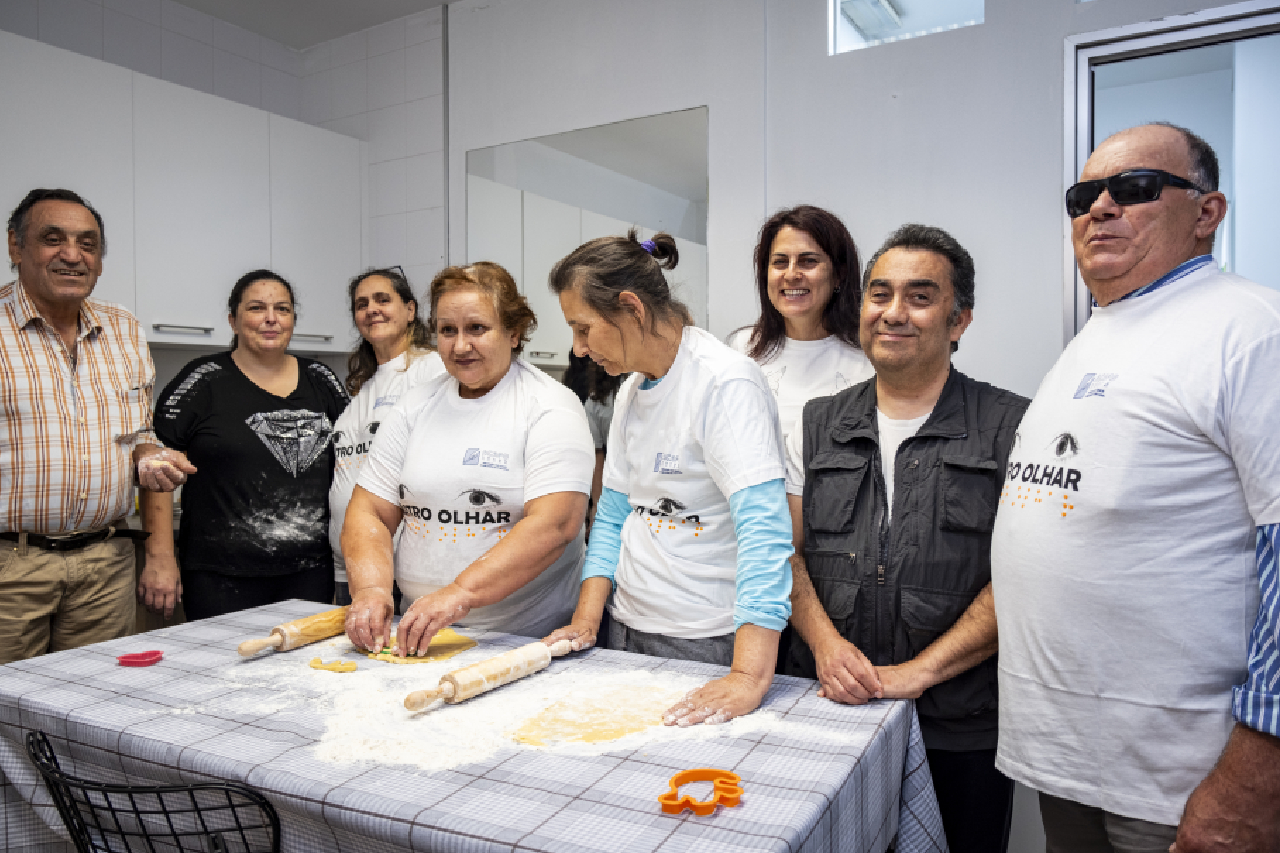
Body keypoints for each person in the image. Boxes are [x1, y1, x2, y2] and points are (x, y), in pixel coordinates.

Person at [991, 122, 1280, 852]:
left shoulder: (1250, 330)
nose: (1101, 207)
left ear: (1207, 213)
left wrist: (1255, 778)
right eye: (1084, 194)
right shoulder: (1095, 337)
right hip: (1069, 764)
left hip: (1186, 784)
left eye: (1137, 188)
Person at [784, 224, 1027, 852]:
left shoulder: (1013, 424)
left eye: (920, 297)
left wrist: (919, 673)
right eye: (880, 294)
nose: (894, 313)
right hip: (831, 707)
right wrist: (826, 646)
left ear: (959, 319)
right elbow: (782, 554)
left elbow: (1026, 579)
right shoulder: (818, 424)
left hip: (959, 725)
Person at [546, 230, 794, 727]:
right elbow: (613, 516)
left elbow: (765, 534)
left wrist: (748, 675)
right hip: (625, 625)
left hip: (704, 639)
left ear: (631, 309)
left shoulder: (725, 384)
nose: (577, 350)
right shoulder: (633, 390)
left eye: (583, 328)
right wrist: (586, 621)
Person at [342, 262, 593, 657]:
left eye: (477, 328)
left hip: (524, 639)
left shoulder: (550, 407)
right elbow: (369, 510)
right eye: (447, 331)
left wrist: (459, 593)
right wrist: (372, 590)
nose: (460, 346)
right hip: (422, 632)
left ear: (514, 332)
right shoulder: (415, 406)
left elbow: (554, 525)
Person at [1, 188, 192, 664]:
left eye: (87, 244)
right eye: (52, 239)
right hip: (10, 567)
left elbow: (138, 437)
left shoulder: (123, 329)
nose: (72, 255)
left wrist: (150, 457)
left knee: (95, 707)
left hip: (105, 565)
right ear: (16, 247)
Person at [153, 270, 349, 620]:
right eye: (257, 308)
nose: (271, 319)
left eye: (283, 309)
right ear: (234, 319)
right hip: (220, 576)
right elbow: (155, 467)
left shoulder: (322, 379)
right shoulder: (202, 380)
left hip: (309, 575)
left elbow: (353, 460)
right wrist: (160, 558)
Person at [329, 267, 444, 607]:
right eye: (361, 304)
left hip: (394, 566)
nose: (371, 309)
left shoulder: (431, 370)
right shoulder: (363, 383)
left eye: (383, 299)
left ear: (410, 310)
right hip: (348, 562)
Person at [727, 205, 873, 444]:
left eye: (808, 261)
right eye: (780, 262)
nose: (792, 274)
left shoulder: (870, 354)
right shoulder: (742, 348)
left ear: (839, 274)